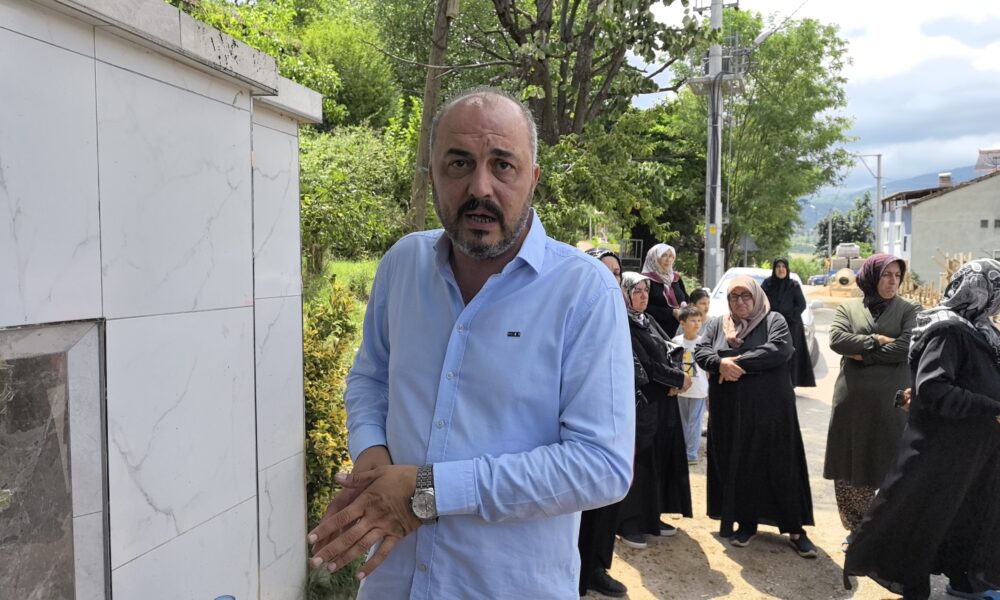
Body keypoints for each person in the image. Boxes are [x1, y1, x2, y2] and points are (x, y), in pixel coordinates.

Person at [305, 88, 635, 599]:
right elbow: (371, 377)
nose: (480, 187)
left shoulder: (583, 291)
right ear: (432, 174)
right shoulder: (403, 265)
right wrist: (371, 453)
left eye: (503, 165)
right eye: (459, 163)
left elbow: (601, 466)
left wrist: (428, 492)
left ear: (533, 178)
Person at [844, 258, 1000, 600]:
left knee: (966, 516)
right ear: (981, 292)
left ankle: (965, 581)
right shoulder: (948, 329)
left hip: (973, 449)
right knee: (924, 519)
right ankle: (911, 585)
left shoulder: (980, 328)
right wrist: (991, 407)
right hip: (942, 450)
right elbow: (932, 389)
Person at [694, 275, 817, 558]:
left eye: (746, 295)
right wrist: (719, 362)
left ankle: (795, 529)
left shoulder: (774, 320)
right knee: (740, 464)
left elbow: (778, 350)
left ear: (757, 296)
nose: (740, 301)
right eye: (734, 296)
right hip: (731, 411)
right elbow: (702, 351)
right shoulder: (718, 324)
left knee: (780, 464)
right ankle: (746, 522)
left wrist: (732, 362)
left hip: (771, 410)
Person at [823, 254, 919, 548]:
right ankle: (857, 530)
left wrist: (862, 354)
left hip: (892, 404)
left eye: (897, 275)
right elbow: (837, 340)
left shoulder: (910, 309)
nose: (893, 281)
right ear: (871, 276)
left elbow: (906, 347)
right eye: (886, 275)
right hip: (851, 403)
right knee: (851, 465)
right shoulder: (849, 308)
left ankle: (886, 532)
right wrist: (876, 340)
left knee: (892, 464)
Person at [616, 272, 692, 549]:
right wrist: (676, 380)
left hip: (661, 403)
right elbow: (643, 364)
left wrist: (677, 378)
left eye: (646, 290)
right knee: (638, 463)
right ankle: (628, 523)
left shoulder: (646, 320)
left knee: (657, 460)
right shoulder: (622, 323)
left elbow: (670, 349)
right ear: (624, 293)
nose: (643, 296)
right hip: (640, 405)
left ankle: (651, 517)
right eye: (636, 291)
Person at [577, 247, 630, 599]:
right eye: (603, 270)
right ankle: (579, 576)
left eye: (616, 273)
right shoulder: (576, 309)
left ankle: (596, 569)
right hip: (578, 431)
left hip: (616, 426)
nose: (611, 279)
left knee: (606, 506)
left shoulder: (626, 313)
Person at [761, 257, 816, 387]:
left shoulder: (793, 285)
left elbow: (801, 304)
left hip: (791, 327)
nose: (781, 269)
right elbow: (761, 302)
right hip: (771, 326)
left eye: (783, 267)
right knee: (771, 354)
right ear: (774, 269)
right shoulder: (767, 284)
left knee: (791, 356)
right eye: (778, 267)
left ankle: (790, 384)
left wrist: (789, 316)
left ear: (787, 269)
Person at [674, 306, 709, 464]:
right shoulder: (676, 342)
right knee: (682, 421)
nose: (697, 324)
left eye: (699, 320)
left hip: (699, 390)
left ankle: (691, 454)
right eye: (693, 320)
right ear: (682, 323)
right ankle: (682, 450)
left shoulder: (703, 342)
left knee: (695, 422)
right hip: (681, 390)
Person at [642, 243, 688, 338]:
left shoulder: (676, 278)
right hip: (656, 333)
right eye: (664, 255)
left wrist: (686, 307)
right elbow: (644, 307)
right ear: (654, 258)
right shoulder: (645, 281)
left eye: (671, 256)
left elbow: (686, 298)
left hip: (680, 332)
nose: (668, 260)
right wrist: (671, 312)